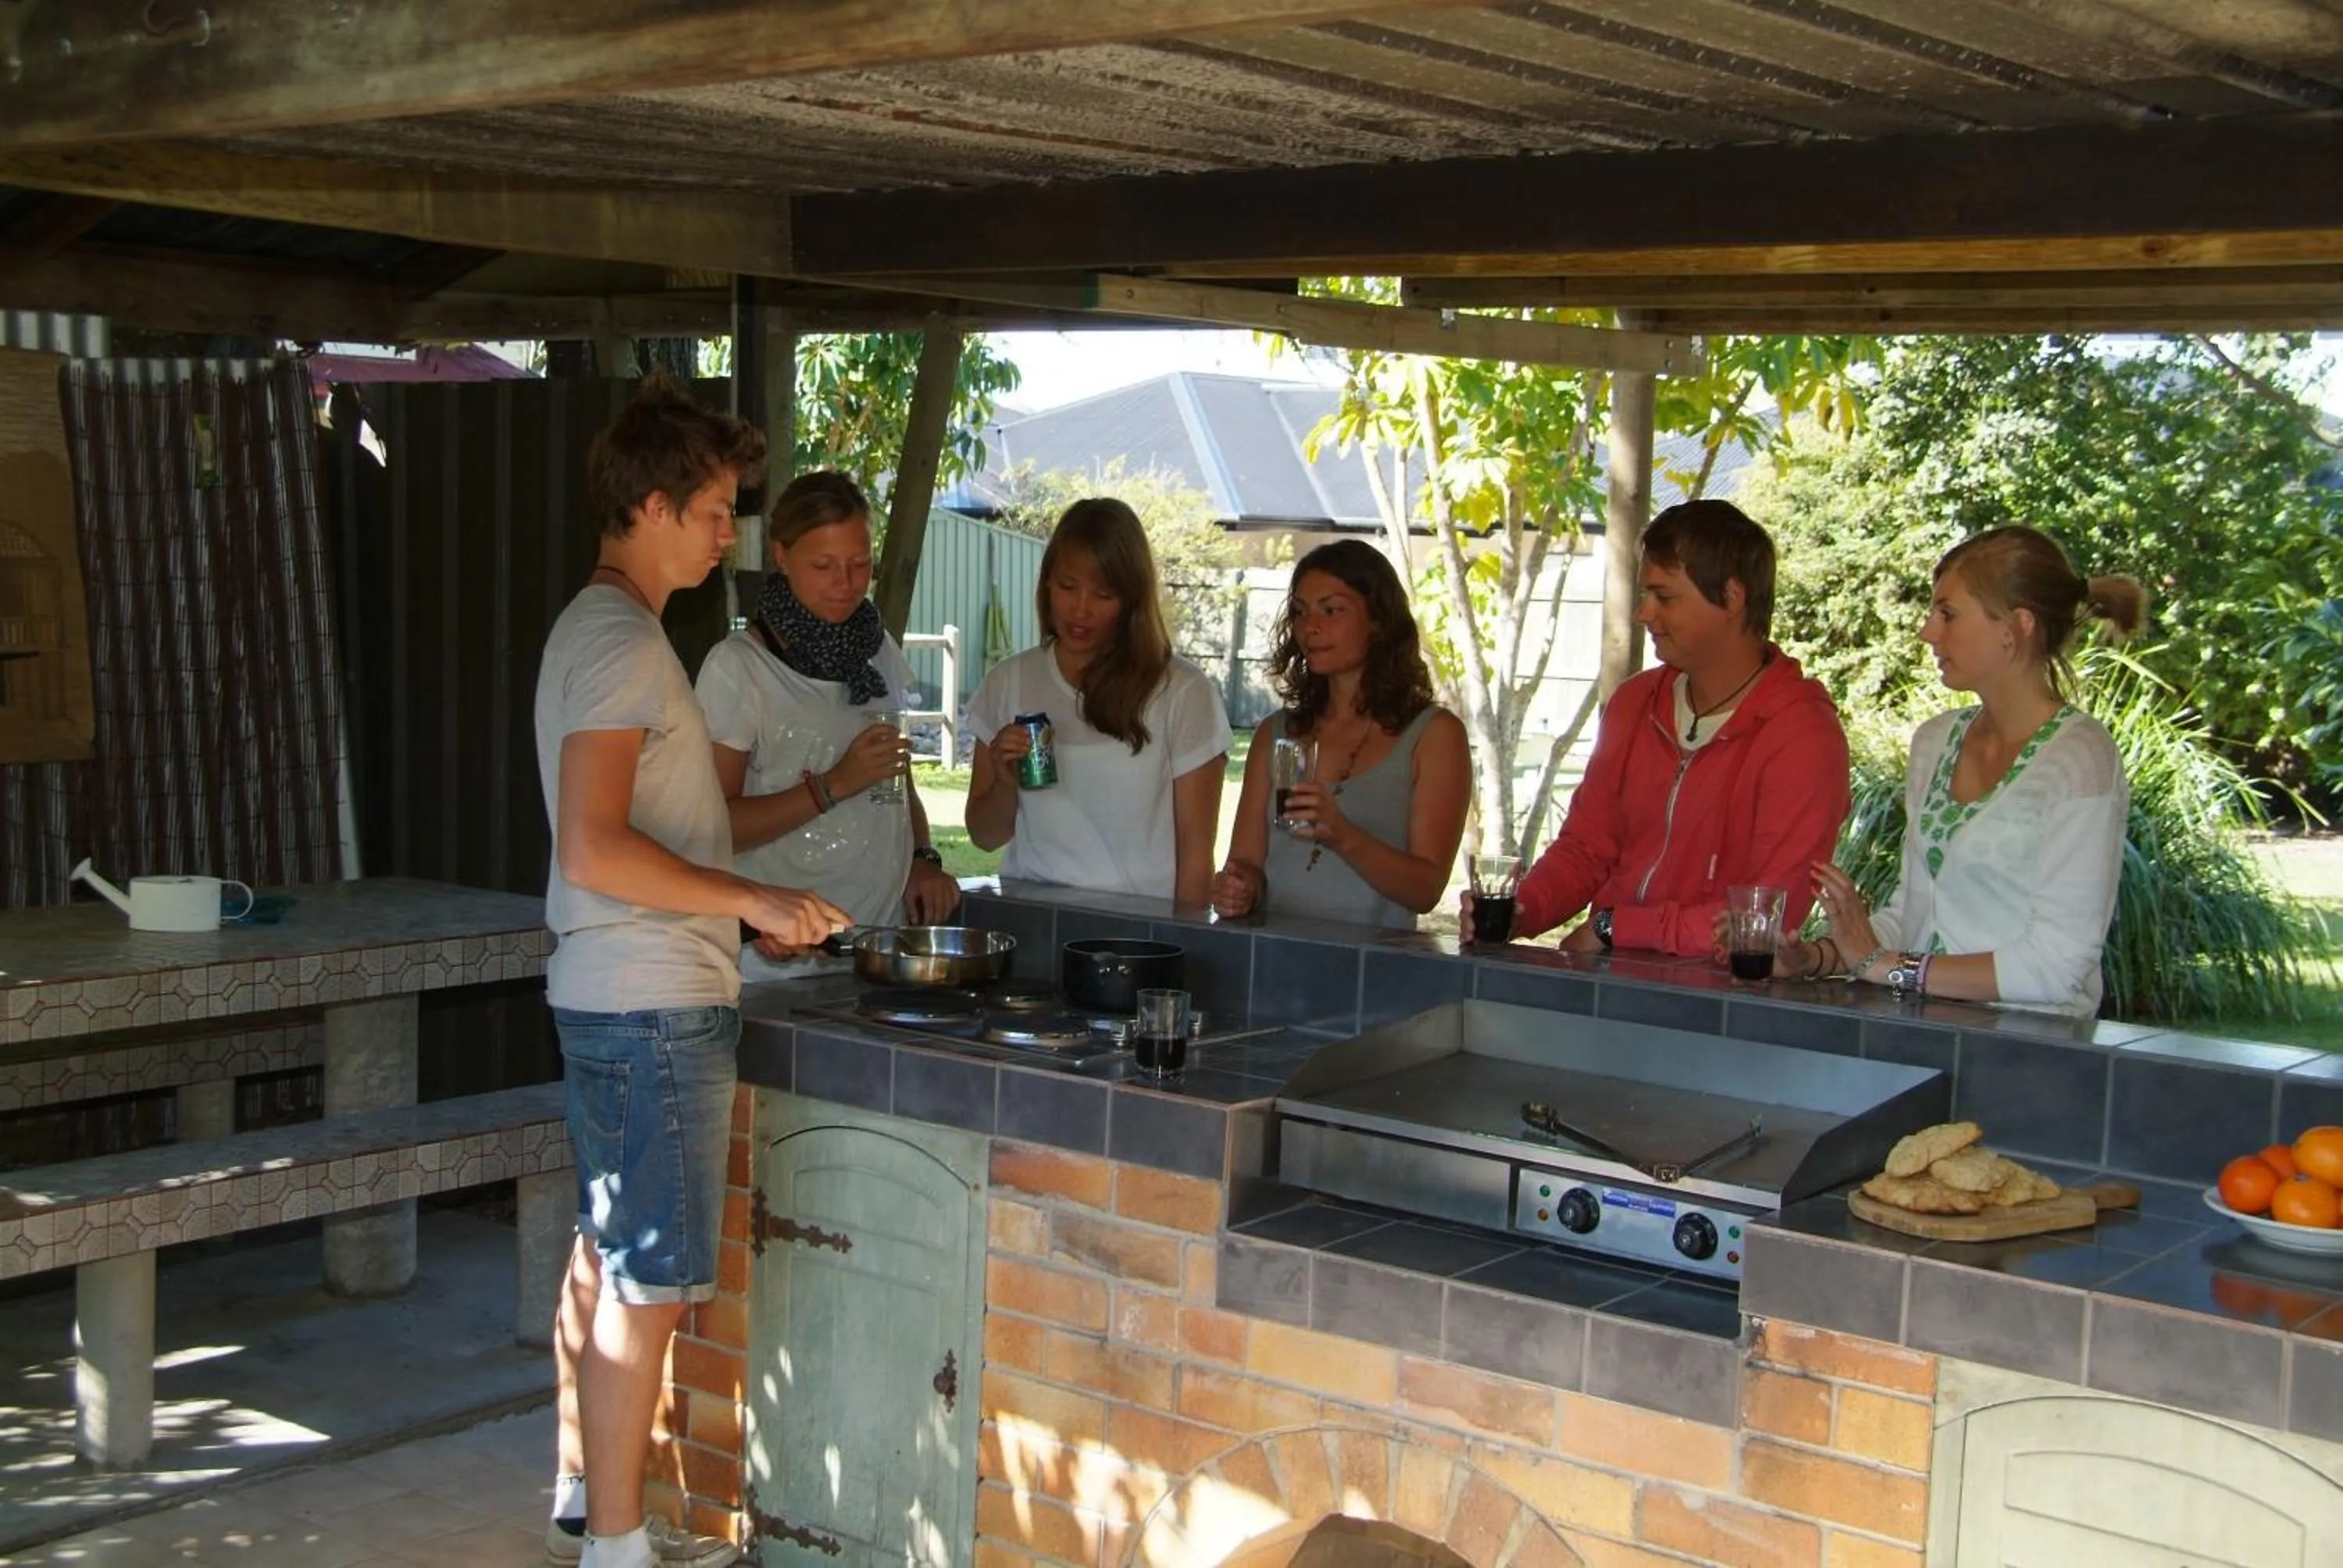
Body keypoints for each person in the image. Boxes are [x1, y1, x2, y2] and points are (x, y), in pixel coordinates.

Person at [533, 378, 847, 1568]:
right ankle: (617, 1547)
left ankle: (599, 1506)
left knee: (618, 1266)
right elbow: (596, 845)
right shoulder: (619, 641)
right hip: (649, 1004)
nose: (732, 532)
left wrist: (741, 914)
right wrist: (751, 896)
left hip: (639, 992)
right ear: (654, 504)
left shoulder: (607, 630)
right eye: (717, 508)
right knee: (650, 1287)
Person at [1771, 526, 2145, 1016]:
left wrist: (1887, 967)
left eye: (1947, 614)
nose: (1928, 631)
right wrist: (1816, 957)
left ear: (2016, 628)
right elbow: (1911, 915)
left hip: (2032, 1057)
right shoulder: (1935, 742)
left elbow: (2059, 964)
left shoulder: (2079, 757)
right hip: (1924, 1040)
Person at [1482, 500, 1851, 957]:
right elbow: (1588, 846)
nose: (1644, 614)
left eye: (1665, 597)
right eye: (1644, 596)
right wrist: (1523, 908)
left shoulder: (1803, 735)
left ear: (1732, 598)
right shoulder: (1635, 704)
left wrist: (1617, 927)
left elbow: (1764, 918)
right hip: (1604, 990)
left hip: (1720, 1010)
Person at [695, 470, 959, 974]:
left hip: (877, 949)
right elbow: (713, 827)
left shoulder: (876, 648)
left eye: (861, 565)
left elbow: (896, 782)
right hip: (773, 964)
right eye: (824, 565)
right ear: (781, 556)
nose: (846, 584)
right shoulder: (739, 668)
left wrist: (922, 859)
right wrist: (834, 785)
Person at [965, 497, 1229, 903]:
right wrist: (1004, 781)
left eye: (1103, 595)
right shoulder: (1009, 682)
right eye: (1068, 587)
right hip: (1034, 920)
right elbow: (984, 837)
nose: (1080, 609)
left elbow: (1196, 858)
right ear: (1047, 582)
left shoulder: (1183, 691)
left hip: (1140, 933)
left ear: (1131, 602)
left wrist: (1185, 945)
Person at [1211, 540, 1470, 928]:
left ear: (1379, 620)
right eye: (1300, 612)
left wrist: (1343, 835)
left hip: (1376, 974)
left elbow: (1426, 889)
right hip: (1272, 963)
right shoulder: (1275, 733)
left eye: (1331, 610)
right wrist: (1238, 887)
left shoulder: (1434, 736)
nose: (1310, 627)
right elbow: (1247, 862)